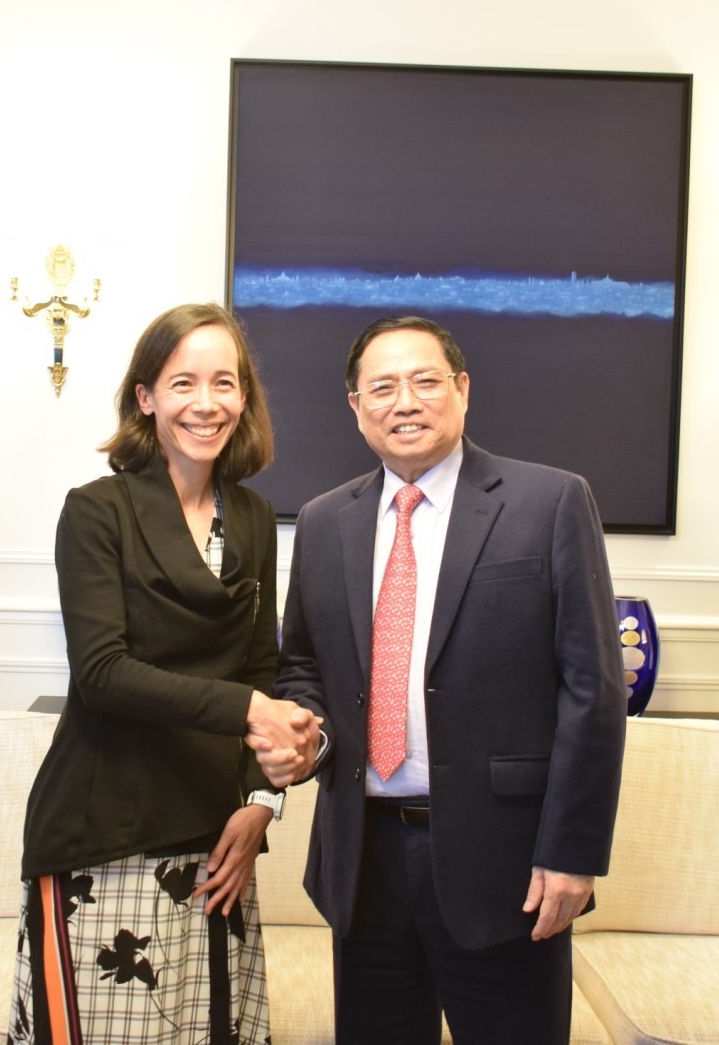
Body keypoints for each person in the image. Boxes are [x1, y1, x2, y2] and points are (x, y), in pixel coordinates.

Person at [260, 315, 627, 1045]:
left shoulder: (549, 502)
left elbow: (593, 691)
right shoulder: (326, 521)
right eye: (383, 387)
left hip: (505, 864)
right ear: (356, 406)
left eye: (425, 381)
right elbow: (303, 664)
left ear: (462, 390)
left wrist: (572, 852)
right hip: (362, 860)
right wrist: (309, 739)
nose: (405, 402)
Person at [13, 302, 316, 1045]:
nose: (205, 403)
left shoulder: (254, 516)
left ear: (244, 398)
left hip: (214, 834)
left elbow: (263, 666)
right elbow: (103, 674)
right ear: (146, 397)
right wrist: (249, 710)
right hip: (104, 829)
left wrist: (261, 801)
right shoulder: (96, 512)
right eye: (183, 383)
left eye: (224, 383)